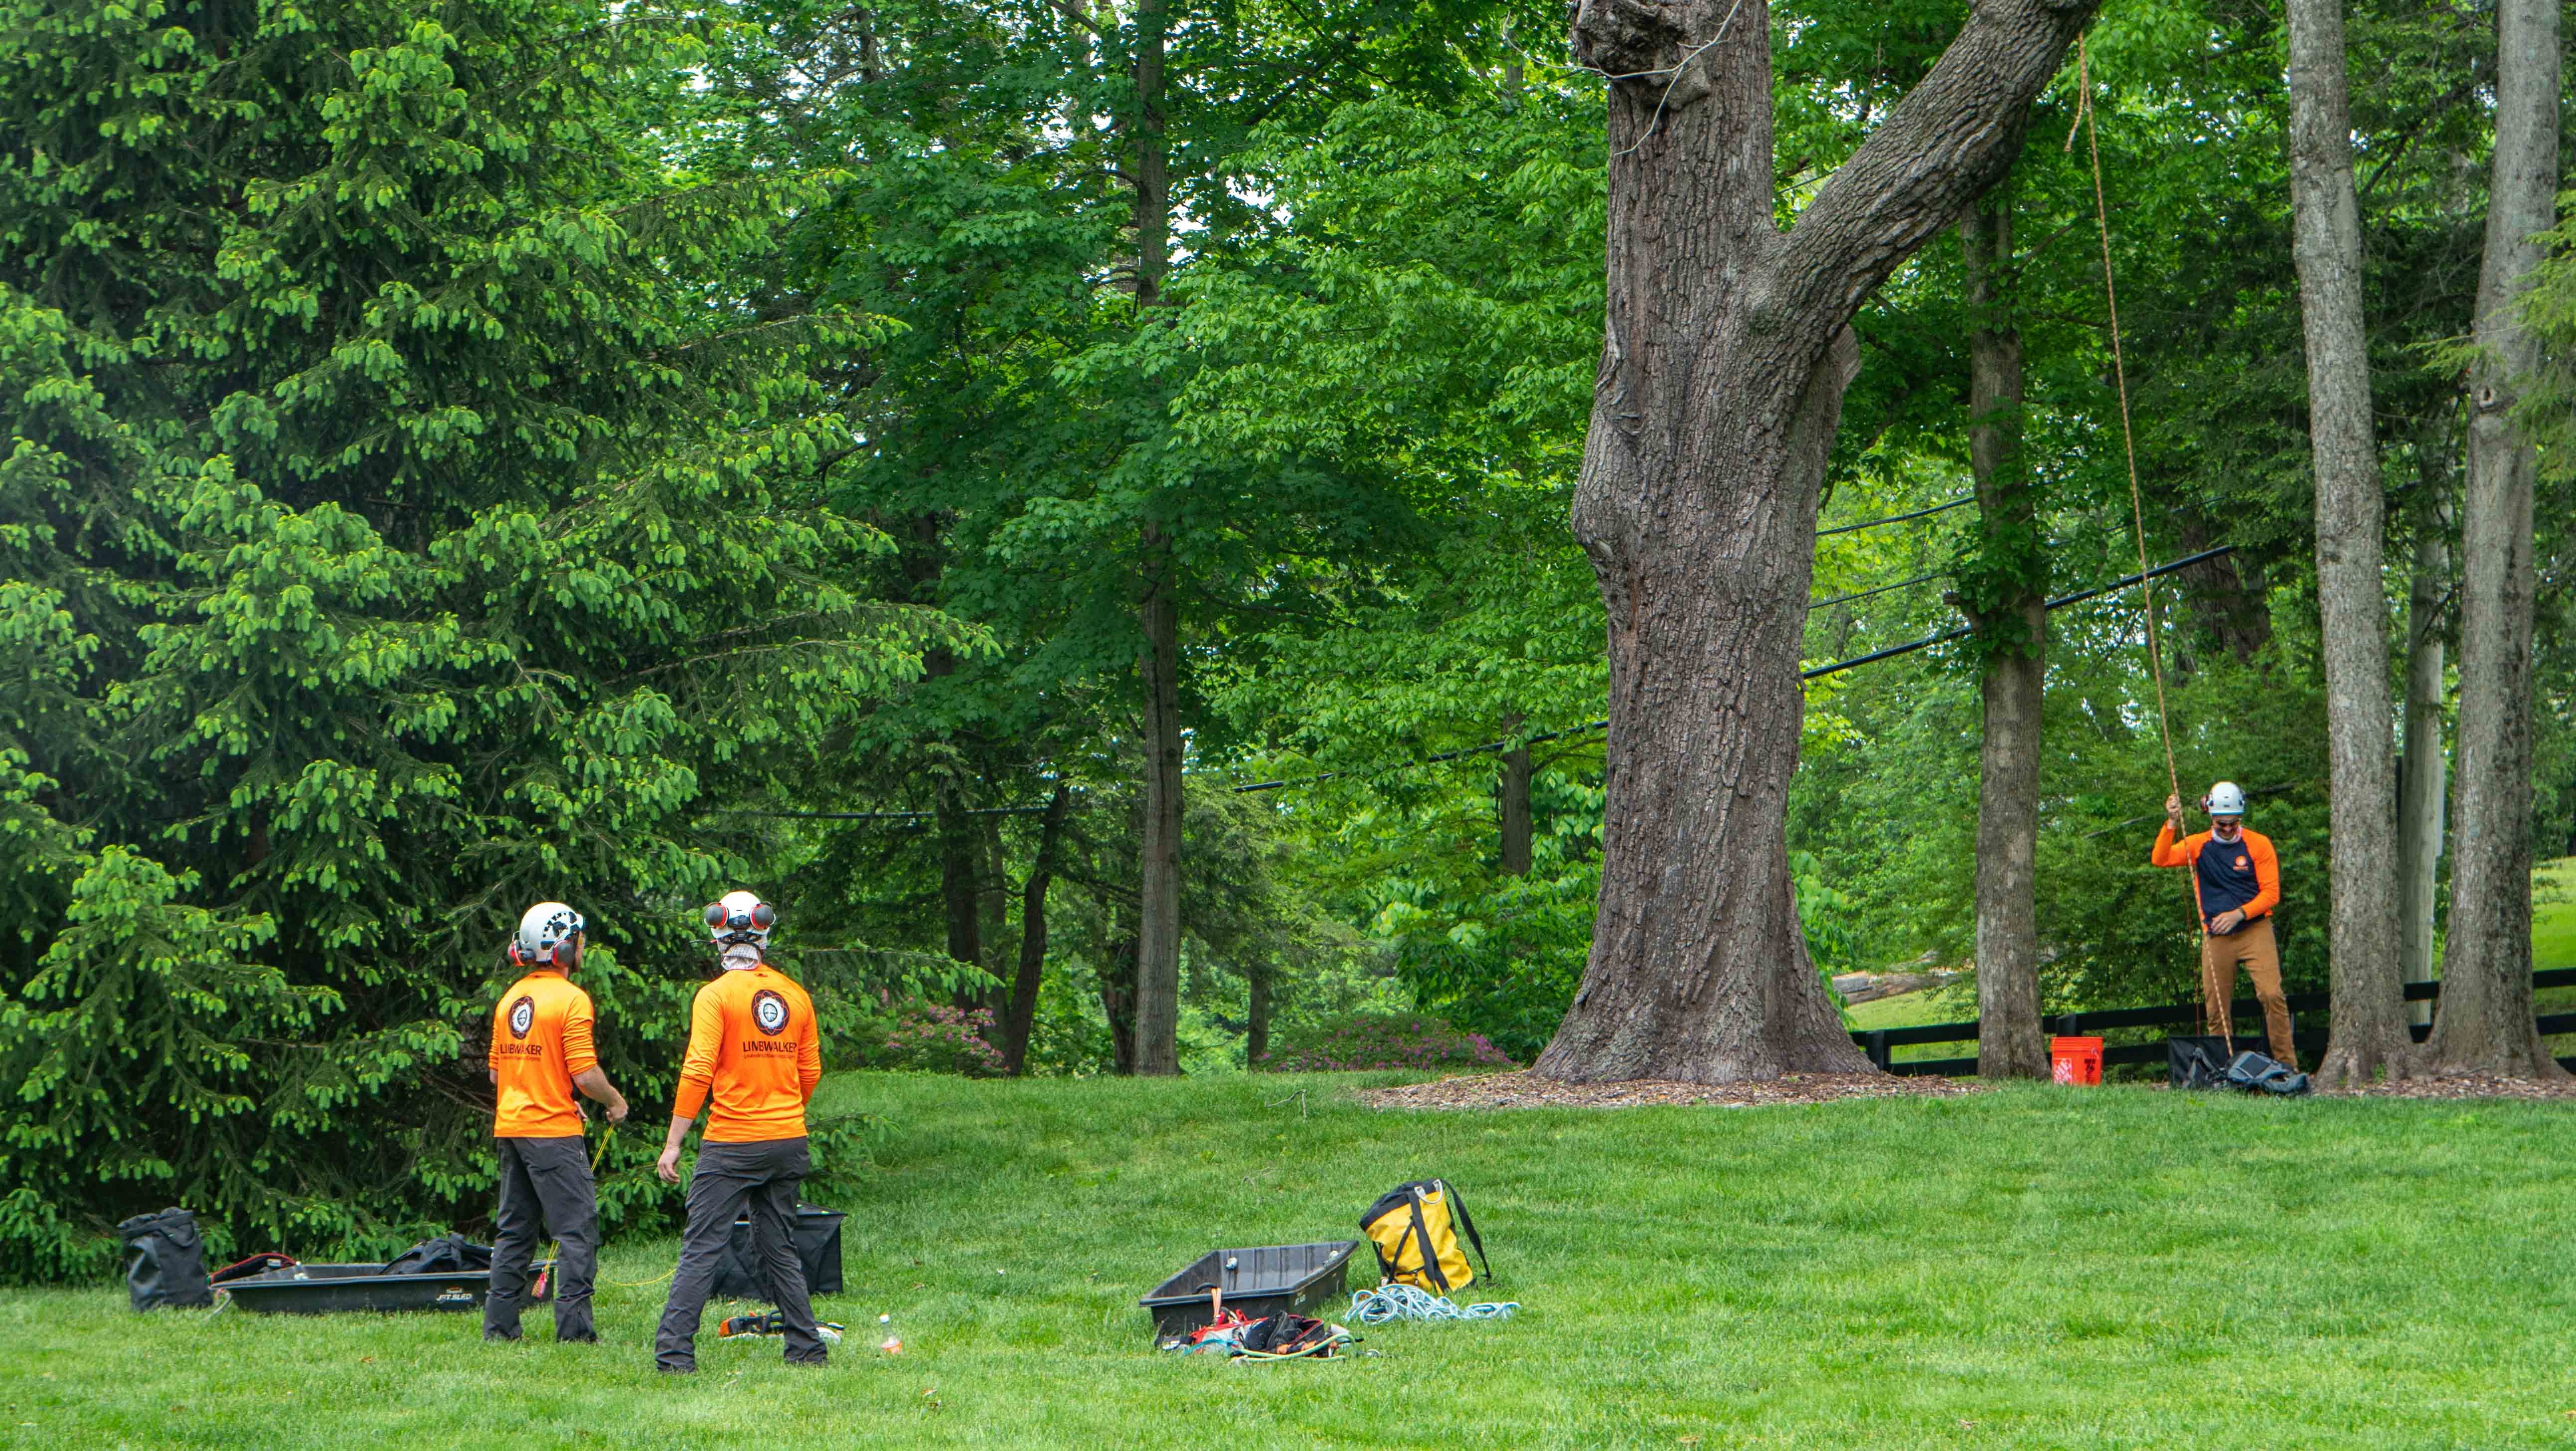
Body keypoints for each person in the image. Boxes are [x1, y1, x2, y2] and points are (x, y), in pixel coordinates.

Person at [653, 890, 826, 1373]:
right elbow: (810, 1070)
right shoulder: (795, 994)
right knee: (779, 1246)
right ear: (765, 934)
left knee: (702, 1246)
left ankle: (674, 1355)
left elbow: (698, 1068)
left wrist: (673, 1142)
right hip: (788, 1137)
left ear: (717, 936)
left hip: (732, 1141)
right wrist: (785, 1112)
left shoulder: (715, 995)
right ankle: (806, 1348)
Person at [485, 900, 627, 1343]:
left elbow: (497, 1072)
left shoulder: (511, 999)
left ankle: (501, 1329)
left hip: (512, 1129)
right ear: (564, 948)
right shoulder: (571, 999)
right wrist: (615, 1100)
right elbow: (585, 1074)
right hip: (552, 1134)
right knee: (577, 1231)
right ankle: (576, 1334)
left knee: (514, 1231)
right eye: (579, 939)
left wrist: (554, 1089)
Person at [2152, 781, 2294, 1068]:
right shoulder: (2198, 845)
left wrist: (2239, 914)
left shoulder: (2259, 844)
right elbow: (2161, 859)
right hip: (2216, 934)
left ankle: (2287, 1066)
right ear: (2210, 816)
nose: (2228, 829)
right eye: (2221, 824)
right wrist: (2171, 824)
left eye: (2233, 824)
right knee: (2216, 1005)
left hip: (2255, 929)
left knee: (2271, 994)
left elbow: (2271, 894)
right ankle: (2223, 1069)